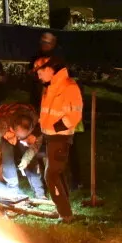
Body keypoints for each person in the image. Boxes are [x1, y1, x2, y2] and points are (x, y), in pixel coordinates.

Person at [36, 55, 82, 222]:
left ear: (49, 69)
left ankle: (65, 214)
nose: (38, 76)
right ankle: (64, 209)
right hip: (51, 137)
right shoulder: (50, 87)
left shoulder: (69, 86)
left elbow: (75, 115)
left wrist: (55, 128)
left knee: (51, 175)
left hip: (60, 138)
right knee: (57, 174)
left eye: (40, 72)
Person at [0, 102, 46, 199]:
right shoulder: (3, 124)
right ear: (13, 127)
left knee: (32, 163)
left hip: (27, 136)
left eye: (20, 137)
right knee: (8, 161)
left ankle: (40, 193)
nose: (18, 138)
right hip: (7, 136)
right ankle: (13, 191)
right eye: (17, 135)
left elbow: (35, 146)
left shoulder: (37, 127)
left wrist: (26, 159)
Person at [28, 32, 61, 108]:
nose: (44, 45)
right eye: (42, 42)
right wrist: (34, 73)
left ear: (52, 44)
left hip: (52, 95)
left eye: (46, 43)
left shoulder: (57, 58)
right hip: (36, 94)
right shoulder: (36, 56)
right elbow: (29, 72)